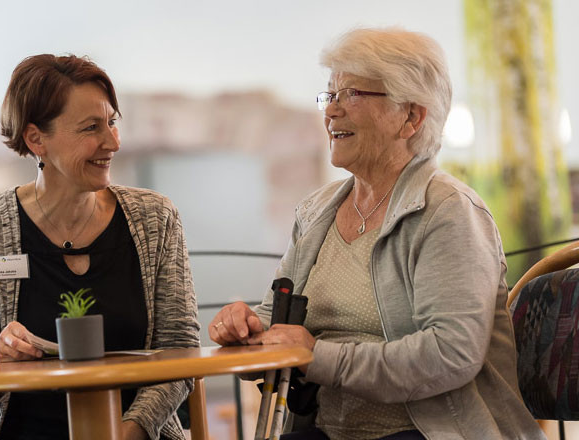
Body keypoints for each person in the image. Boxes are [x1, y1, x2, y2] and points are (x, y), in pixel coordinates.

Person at [209, 28, 544, 440]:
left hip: (427, 432)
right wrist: (246, 328)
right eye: (329, 95)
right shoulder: (316, 211)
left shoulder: (448, 211)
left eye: (351, 94)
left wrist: (316, 356)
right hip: (325, 429)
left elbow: (450, 354)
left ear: (411, 117)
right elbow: (278, 320)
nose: (331, 112)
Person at [0, 54, 200, 440]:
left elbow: (181, 353)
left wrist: (126, 431)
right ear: (35, 138)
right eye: (90, 127)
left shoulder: (155, 218)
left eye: (112, 122)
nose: (112, 141)